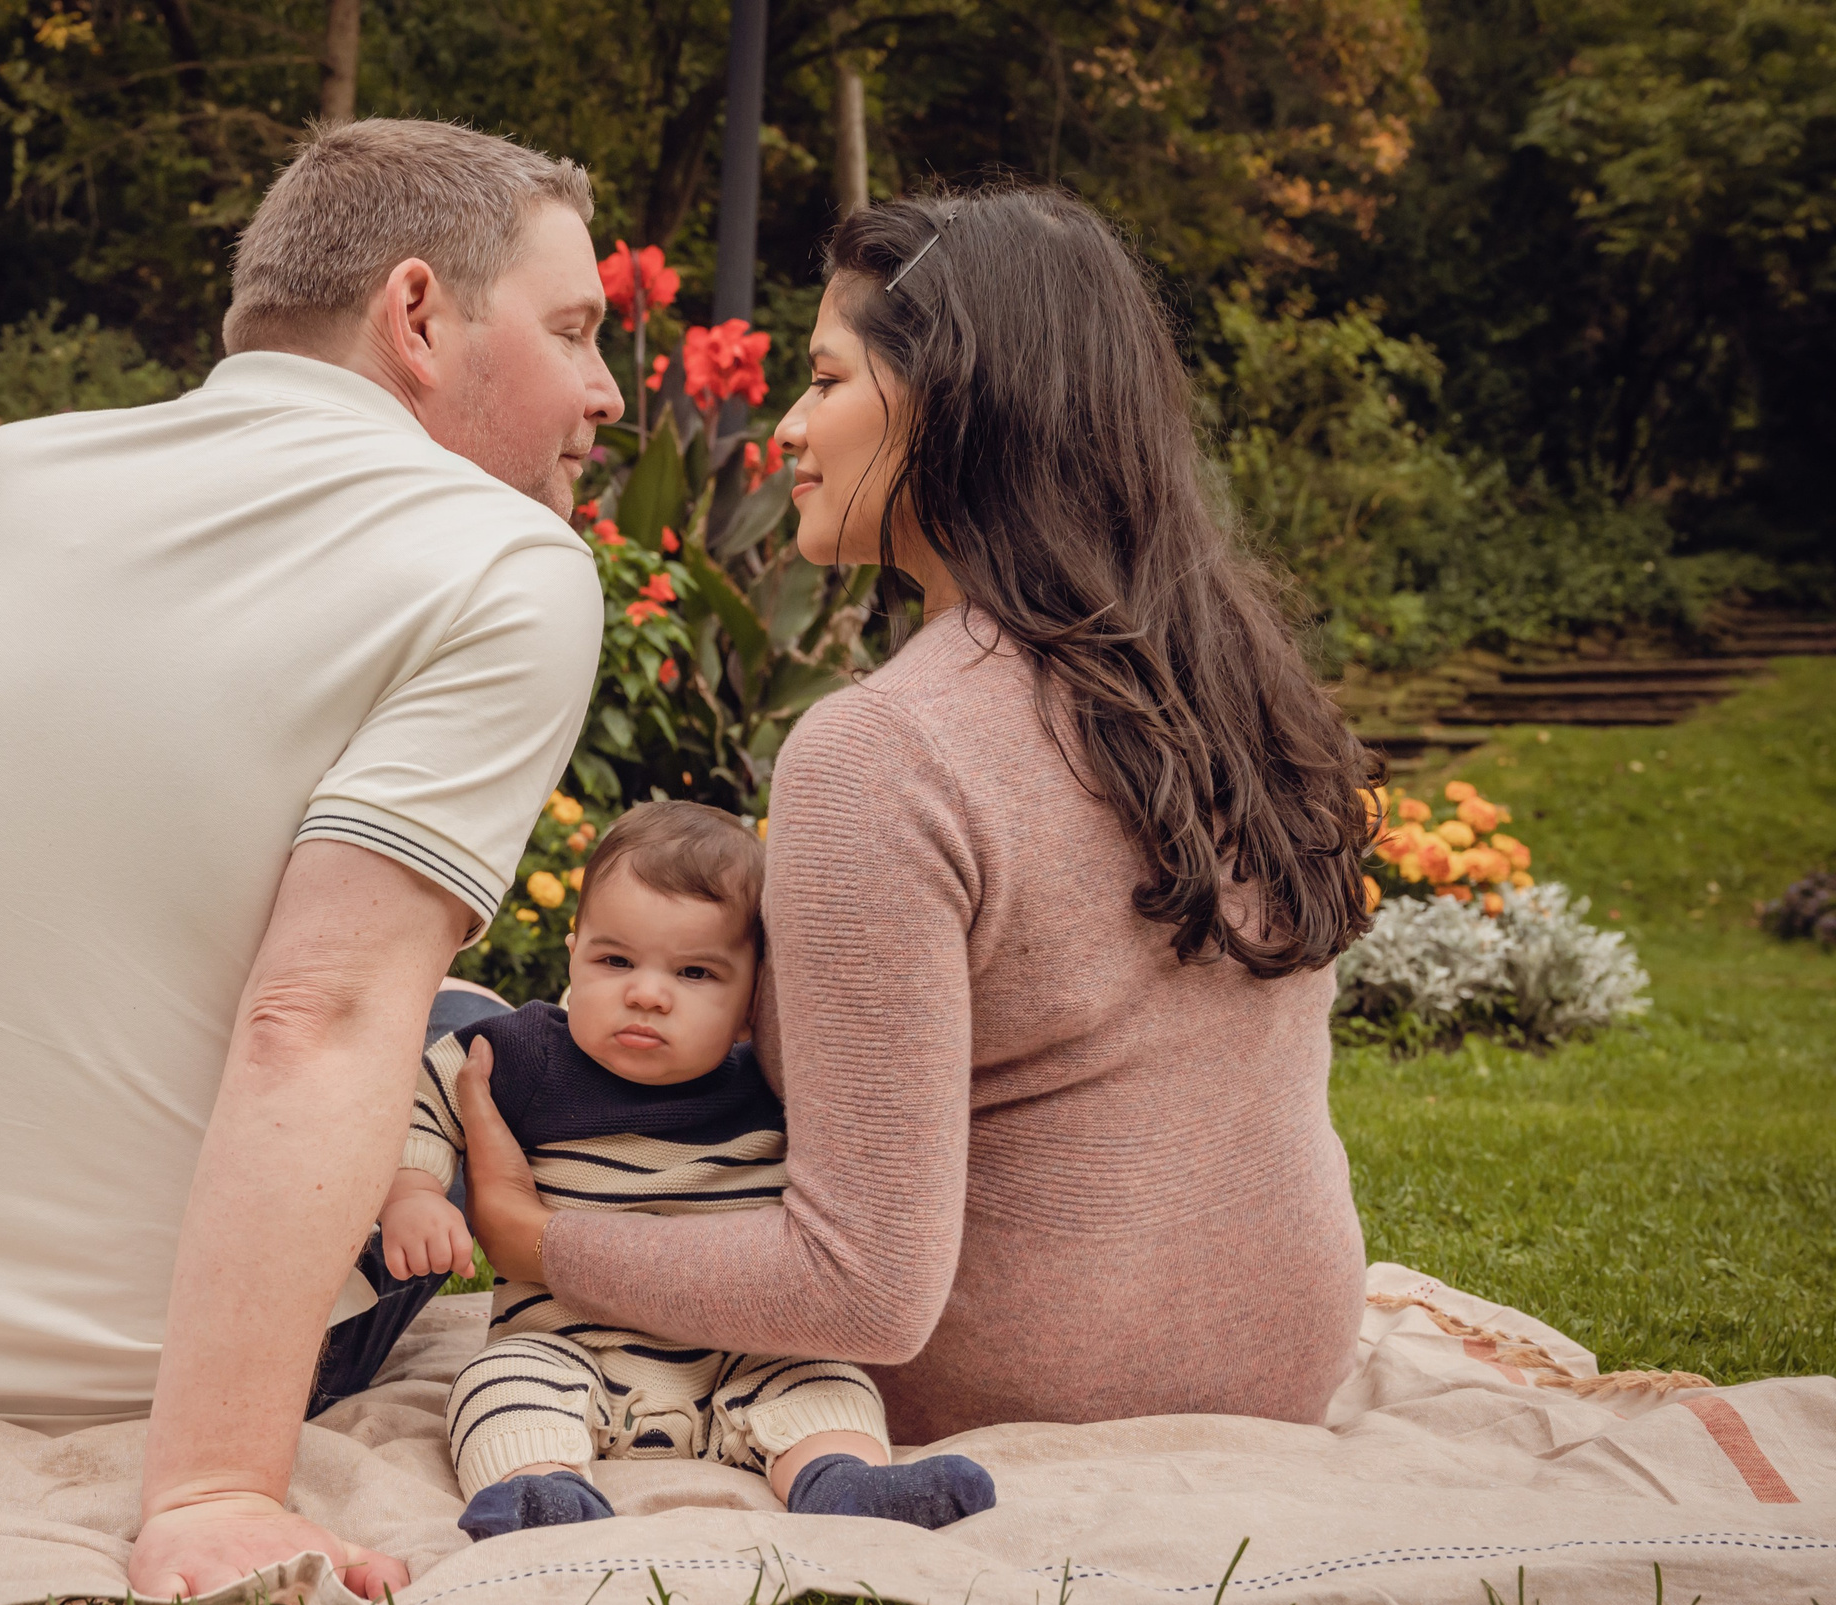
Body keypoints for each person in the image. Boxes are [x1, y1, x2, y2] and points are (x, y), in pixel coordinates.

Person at [0, 117, 624, 1603]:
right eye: (576, 332)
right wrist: (214, 1491)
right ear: (416, 314)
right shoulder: (504, 560)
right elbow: (312, 1021)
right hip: (103, 1371)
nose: (602, 392)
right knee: (460, 1040)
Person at [458, 187, 1380, 1447]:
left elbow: (861, 1292)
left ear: (951, 404)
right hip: (1287, 1360)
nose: (786, 427)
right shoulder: (1230, 691)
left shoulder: (885, 747)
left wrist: (538, 1240)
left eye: (826, 379)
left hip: (1015, 1393)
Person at [379, 802, 997, 1538]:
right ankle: (540, 1490)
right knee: (498, 1382)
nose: (645, 992)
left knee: (823, 1382)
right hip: (572, 1346)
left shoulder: (772, 1080)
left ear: (753, 1003)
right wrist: (414, 1187)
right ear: (573, 953)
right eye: (614, 960)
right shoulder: (528, 1054)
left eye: (696, 971)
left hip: (738, 1355)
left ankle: (845, 1480)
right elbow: (422, 1093)